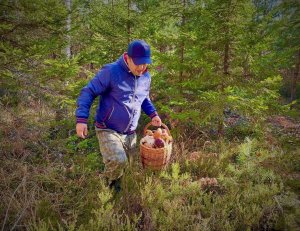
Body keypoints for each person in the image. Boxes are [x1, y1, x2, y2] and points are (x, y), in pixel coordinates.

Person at [75, 39, 162, 192]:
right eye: (138, 63)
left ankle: (117, 195)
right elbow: (89, 91)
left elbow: (144, 99)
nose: (142, 68)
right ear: (128, 58)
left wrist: (153, 114)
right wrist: (81, 119)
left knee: (126, 166)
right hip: (108, 129)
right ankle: (105, 190)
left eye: (145, 63)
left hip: (130, 133)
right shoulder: (111, 71)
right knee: (118, 160)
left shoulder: (146, 77)